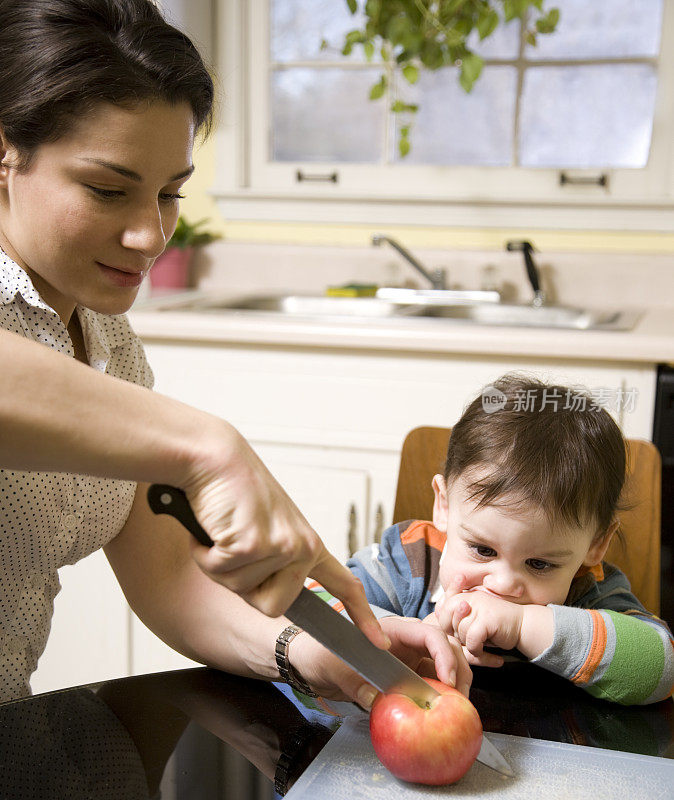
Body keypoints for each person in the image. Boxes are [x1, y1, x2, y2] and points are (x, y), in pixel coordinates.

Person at [0, 0, 465, 706]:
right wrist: (209, 445)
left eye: (170, 193)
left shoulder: (110, 344)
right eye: (107, 189)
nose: (152, 236)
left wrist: (310, 650)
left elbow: (168, 577)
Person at [328, 374, 673, 705]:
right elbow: (312, 608)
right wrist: (405, 634)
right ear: (444, 505)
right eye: (482, 550)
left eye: (540, 564)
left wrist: (523, 625)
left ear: (596, 545)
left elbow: (664, 668)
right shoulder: (410, 558)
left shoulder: (590, 591)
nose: (504, 584)